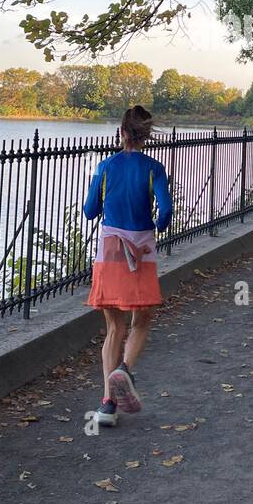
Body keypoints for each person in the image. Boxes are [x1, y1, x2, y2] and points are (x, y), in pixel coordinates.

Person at [82, 105, 172, 427]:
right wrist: (154, 223)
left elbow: (90, 211)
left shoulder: (105, 167)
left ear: (121, 133)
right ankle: (125, 370)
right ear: (146, 136)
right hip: (142, 250)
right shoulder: (154, 169)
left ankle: (107, 404)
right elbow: (165, 212)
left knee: (113, 328)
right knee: (142, 319)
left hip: (110, 250)